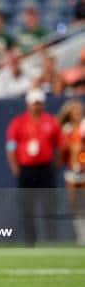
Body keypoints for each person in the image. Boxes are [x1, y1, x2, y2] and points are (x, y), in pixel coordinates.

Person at [6, 89, 61, 244]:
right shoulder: (19, 122)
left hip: (45, 169)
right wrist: (15, 167)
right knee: (27, 206)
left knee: (49, 205)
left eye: (39, 103)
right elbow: (11, 147)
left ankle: (52, 240)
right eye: (34, 103)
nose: (36, 107)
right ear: (28, 104)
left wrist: (54, 166)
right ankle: (30, 241)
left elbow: (58, 146)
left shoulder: (50, 121)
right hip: (27, 169)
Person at [57, 100, 85, 244]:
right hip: (72, 170)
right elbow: (62, 152)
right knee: (75, 204)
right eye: (75, 112)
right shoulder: (66, 130)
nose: (78, 115)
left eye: (79, 112)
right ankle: (81, 235)